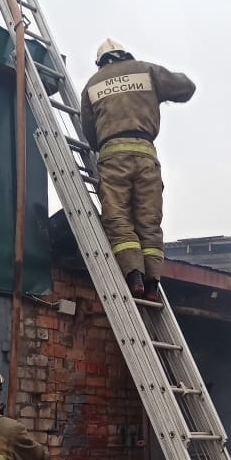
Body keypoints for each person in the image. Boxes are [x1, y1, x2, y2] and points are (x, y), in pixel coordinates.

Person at [80, 39, 196, 303]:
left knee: (118, 217)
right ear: (125, 55)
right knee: (148, 220)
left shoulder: (93, 84)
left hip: (112, 158)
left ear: (101, 62)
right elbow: (186, 87)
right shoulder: (146, 71)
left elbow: (89, 131)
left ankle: (134, 277)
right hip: (146, 157)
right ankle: (153, 283)